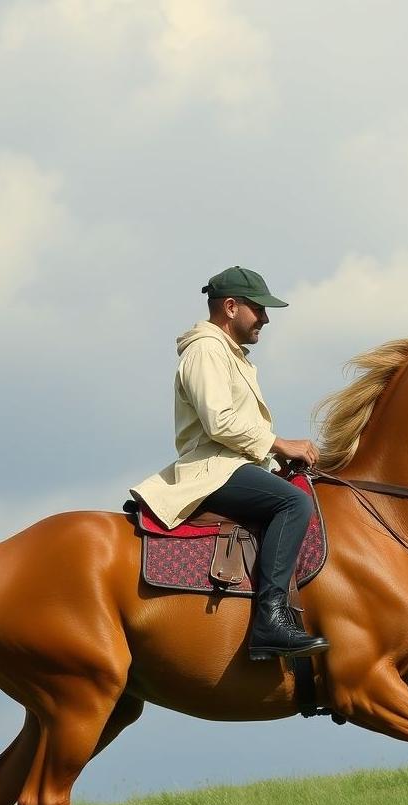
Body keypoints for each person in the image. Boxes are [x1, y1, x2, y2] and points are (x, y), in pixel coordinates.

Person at [130, 265, 330, 661]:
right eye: (259, 309)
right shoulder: (206, 349)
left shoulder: (228, 353)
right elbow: (219, 421)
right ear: (231, 307)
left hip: (234, 464)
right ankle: (270, 621)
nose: (266, 319)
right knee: (294, 503)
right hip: (212, 469)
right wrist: (279, 444)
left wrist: (274, 454)